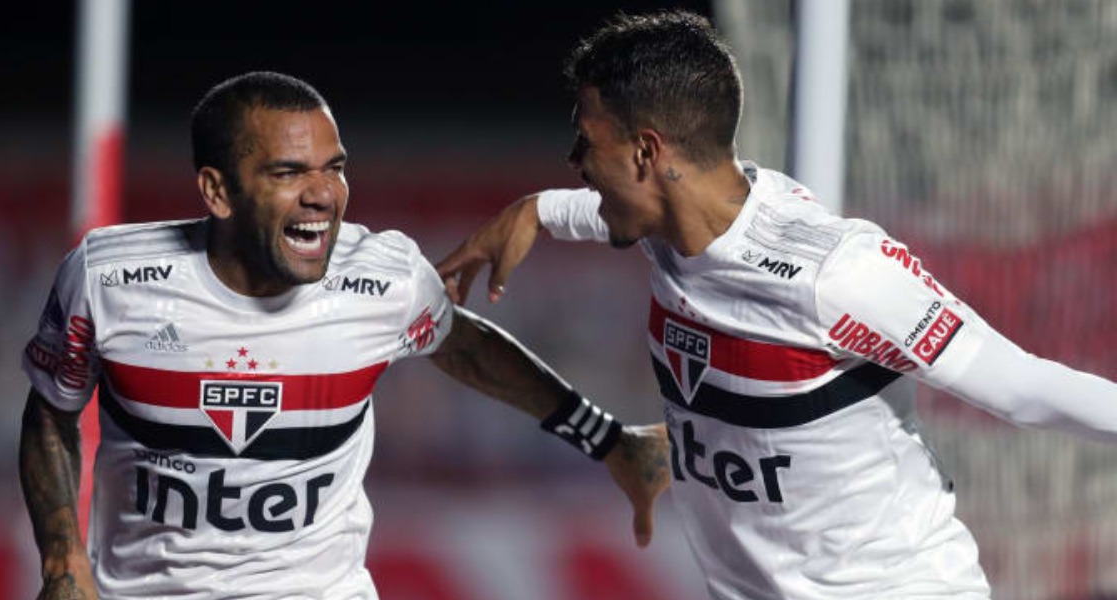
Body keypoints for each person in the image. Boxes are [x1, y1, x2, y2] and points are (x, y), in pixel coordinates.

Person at [436, 9, 1117, 600]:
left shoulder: (835, 274)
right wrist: (534, 210)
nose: (575, 158)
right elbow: (591, 209)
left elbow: (1023, 388)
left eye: (589, 139)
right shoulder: (668, 229)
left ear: (647, 151)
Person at [19, 71, 668, 600]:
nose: (323, 193)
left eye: (334, 167)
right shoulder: (111, 280)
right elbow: (52, 412)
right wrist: (61, 560)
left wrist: (605, 438)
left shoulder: (381, 279)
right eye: (288, 172)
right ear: (217, 191)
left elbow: (462, 345)